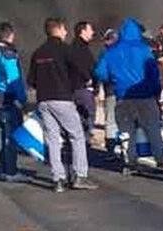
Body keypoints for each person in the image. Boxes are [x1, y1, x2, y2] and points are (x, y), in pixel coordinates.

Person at [27, 17, 98, 192]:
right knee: (77, 136)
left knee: (53, 139)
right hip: (63, 99)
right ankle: (80, 175)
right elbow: (81, 72)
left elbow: (31, 80)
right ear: (58, 30)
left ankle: (57, 179)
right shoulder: (66, 50)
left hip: (43, 100)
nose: (66, 32)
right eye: (64, 29)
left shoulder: (38, 53)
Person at [94, 18, 163, 177]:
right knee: (153, 128)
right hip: (146, 97)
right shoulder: (145, 50)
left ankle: (130, 163)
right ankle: (160, 161)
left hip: (123, 97)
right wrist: (155, 91)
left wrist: (114, 79)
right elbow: (154, 74)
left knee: (127, 132)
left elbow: (100, 72)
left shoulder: (111, 51)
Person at [0, 22, 28, 183]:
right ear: (10, 35)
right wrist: (21, 99)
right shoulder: (8, 54)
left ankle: (4, 169)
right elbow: (14, 79)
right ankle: (11, 171)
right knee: (11, 138)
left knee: (1, 137)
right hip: (9, 100)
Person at [71, 20, 97, 138]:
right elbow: (89, 67)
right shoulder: (82, 49)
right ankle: (85, 146)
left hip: (72, 89)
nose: (93, 32)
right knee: (88, 119)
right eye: (90, 29)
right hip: (84, 89)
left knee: (77, 120)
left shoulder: (71, 47)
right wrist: (89, 80)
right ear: (82, 31)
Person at [100, 28, 120, 154]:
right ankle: (127, 151)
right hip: (125, 92)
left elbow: (101, 73)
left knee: (111, 121)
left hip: (111, 91)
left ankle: (111, 150)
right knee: (125, 121)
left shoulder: (106, 55)